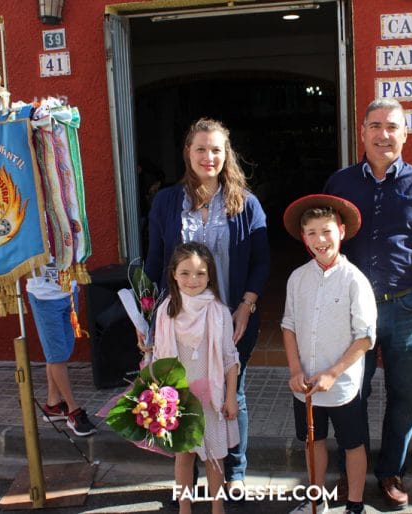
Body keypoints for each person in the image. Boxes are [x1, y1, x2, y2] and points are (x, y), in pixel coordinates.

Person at [324, 97, 412, 509]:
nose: (384, 134)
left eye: (392, 127)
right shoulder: (340, 185)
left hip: (405, 308)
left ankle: (391, 472)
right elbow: (324, 244)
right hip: (353, 311)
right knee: (353, 392)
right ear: (362, 131)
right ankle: (355, 472)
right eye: (375, 125)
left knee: (403, 394)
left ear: (405, 135)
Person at [144, 118, 270, 492]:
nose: (208, 156)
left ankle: (235, 474)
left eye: (216, 149)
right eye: (201, 148)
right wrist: (147, 318)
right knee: (185, 395)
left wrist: (247, 304)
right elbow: (154, 263)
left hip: (230, 319)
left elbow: (262, 261)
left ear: (226, 154)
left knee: (234, 395)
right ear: (188, 153)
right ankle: (190, 476)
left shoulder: (245, 203)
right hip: (179, 323)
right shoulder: (167, 201)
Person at [281, 194, 377, 514]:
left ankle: (355, 503)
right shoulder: (297, 278)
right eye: (311, 233)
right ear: (304, 238)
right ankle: (315, 499)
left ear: (342, 230)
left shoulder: (355, 281)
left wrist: (333, 372)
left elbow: (365, 338)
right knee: (313, 441)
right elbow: (289, 326)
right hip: (305, 383)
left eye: (326, 231)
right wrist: (295, 369)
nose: (320, 240)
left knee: (352, 443)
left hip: (343, 386)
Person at [152, 242, 240, 514]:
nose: (193, 280)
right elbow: (158, 358)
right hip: (179, 398)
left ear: (210, 275)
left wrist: (230, 397)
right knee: (183, 457)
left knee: (215, 457)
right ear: (174, 275)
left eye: (201, 273)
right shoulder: (167, 310)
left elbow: (229, 358)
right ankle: (184, 507)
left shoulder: (219, 311)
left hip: (211, 398)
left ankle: (217, 507)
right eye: (186, 272)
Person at [27, 271, 97, 437]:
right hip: (44, 295)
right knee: (57, 356)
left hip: (68, 290)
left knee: (61, 351)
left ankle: (53, 405)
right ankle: (73, 409)